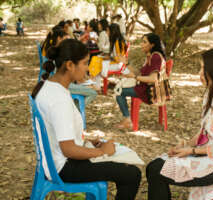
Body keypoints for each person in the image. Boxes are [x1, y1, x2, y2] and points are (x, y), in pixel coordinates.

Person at [31, 39, 141, 200]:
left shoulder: (47, 85)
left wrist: (87, 141)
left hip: (53, 162)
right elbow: (68, 149)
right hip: (64, 167)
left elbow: (58, 132)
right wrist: (101, 152)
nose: (87, 68)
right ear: (69, 65)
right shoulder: (59, 99)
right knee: (131, 174)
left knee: (123, 166)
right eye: (84, 63)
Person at [146, 47, 213, 200]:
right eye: (200, 68)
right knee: (154, 166)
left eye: (204, 69)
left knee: (156, 170)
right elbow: (204, 131)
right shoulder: (211, 95)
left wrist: (192, 151)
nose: (200, 74)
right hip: (210, 155)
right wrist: (186, 145)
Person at [114, 33, 166, 129]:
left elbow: (153, 79)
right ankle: (127, 119)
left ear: (152, 45)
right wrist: (127, 64)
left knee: (118, 92)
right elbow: (139, 73)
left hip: (152, 92)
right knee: (118, 88)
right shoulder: (150, 56)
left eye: (144, 42)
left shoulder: (156, 57)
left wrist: (134, 77)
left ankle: (127, 120)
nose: (141, 44)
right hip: (146, 88)